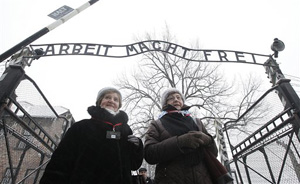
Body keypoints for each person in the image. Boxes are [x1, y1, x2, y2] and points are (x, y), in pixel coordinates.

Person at [40, 87, 144, 184]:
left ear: (119, 106)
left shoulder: (126, 131)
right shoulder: (81, 127)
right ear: (100, 102)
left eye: (116, 99)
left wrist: (138, 147)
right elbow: (60, 162)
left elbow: (134, 165)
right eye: (107, 97)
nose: (111, 101)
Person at [144, 88, 218, 184]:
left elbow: (214, 153)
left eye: (178, 97)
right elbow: (149, 154)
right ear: (165, 104)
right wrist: (179, 142)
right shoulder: (157, 124)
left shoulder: (197, 122)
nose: (176, 99)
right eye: (171, 98)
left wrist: (208, 140)